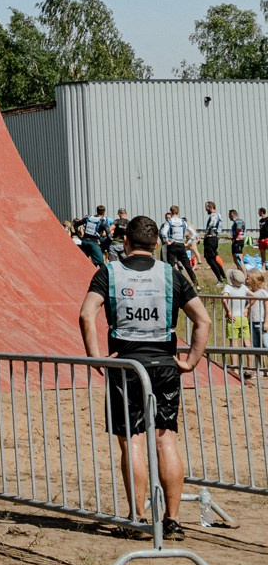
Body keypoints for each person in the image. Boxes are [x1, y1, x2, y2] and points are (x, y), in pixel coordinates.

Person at [78, 214, 210, 540]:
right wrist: (191, 360)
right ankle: (173, 519)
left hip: (126, 366)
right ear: (157, 244)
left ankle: (138, 517)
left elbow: (86, 313)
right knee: (166, 439)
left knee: (132, 441)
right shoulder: (172, 274)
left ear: (125, 242)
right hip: (165, 365)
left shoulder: (108, 272)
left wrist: (96, 359)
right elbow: (203, 320)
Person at [160, 206, 193, 276]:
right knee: (186, 264)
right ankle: (196, 283)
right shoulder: (183, 222)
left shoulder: (169, 222)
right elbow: (193, 233)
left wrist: (167, 241)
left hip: (171, 244)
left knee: (170, 264)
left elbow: (163, 233)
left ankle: (174, 279)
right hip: (181, 244)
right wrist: (188, 243)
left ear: (171, 212)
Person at [202, 202, 228, 286]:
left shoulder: (213, 215)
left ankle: (220, 280)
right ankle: (223, 278)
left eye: (206, 207)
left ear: (210, 207)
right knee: (213, 259)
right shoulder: (219, 215)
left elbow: (212, 224)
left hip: (210, 238)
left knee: (210, 260)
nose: (206, 209)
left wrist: (206, 233)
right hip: (214, 238)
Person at [77, 205, 110, 269]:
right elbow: (109, 236)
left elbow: (76, 225)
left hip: (84, 241)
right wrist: (104, 245)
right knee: (101, 262)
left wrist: (80, 237)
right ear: (104, 212)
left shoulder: (89, 218)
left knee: (84, 261)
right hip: (93, 242)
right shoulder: (103, 222)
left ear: (97, 211)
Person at [248, 267, 268, 350]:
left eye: (248, 278)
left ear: (254, 281)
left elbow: (267, 307)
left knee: (266, 345)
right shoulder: (249, 293)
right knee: (256, 347)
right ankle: (259, 363)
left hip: (261, 322)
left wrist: (266, 322)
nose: (246, 280)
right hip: (252, 322)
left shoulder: (263, 292)